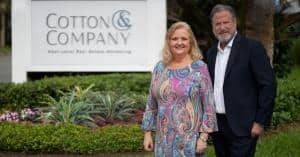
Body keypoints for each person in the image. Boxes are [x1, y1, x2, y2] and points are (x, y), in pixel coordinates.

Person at [206, 4, 277, 157]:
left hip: (244, 125)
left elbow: (268, 85)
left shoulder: (252, 48)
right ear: (213, 27)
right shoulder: (211, 53)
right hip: (218, 126)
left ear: (235, 23)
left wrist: (260, 122)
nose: (222, 27)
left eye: (226, 22)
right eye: (217, 24)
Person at [141, 21, 217, 157]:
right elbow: (151, 103)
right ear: (168, 42)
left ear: (191, 42)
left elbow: (209, 106)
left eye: (184, 39)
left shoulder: (199, 68)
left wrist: (203, 138)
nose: (179, 42)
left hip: (189, 143)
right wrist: (147, 133)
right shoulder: (160, 68)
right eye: (174, 38)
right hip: (162, 141)